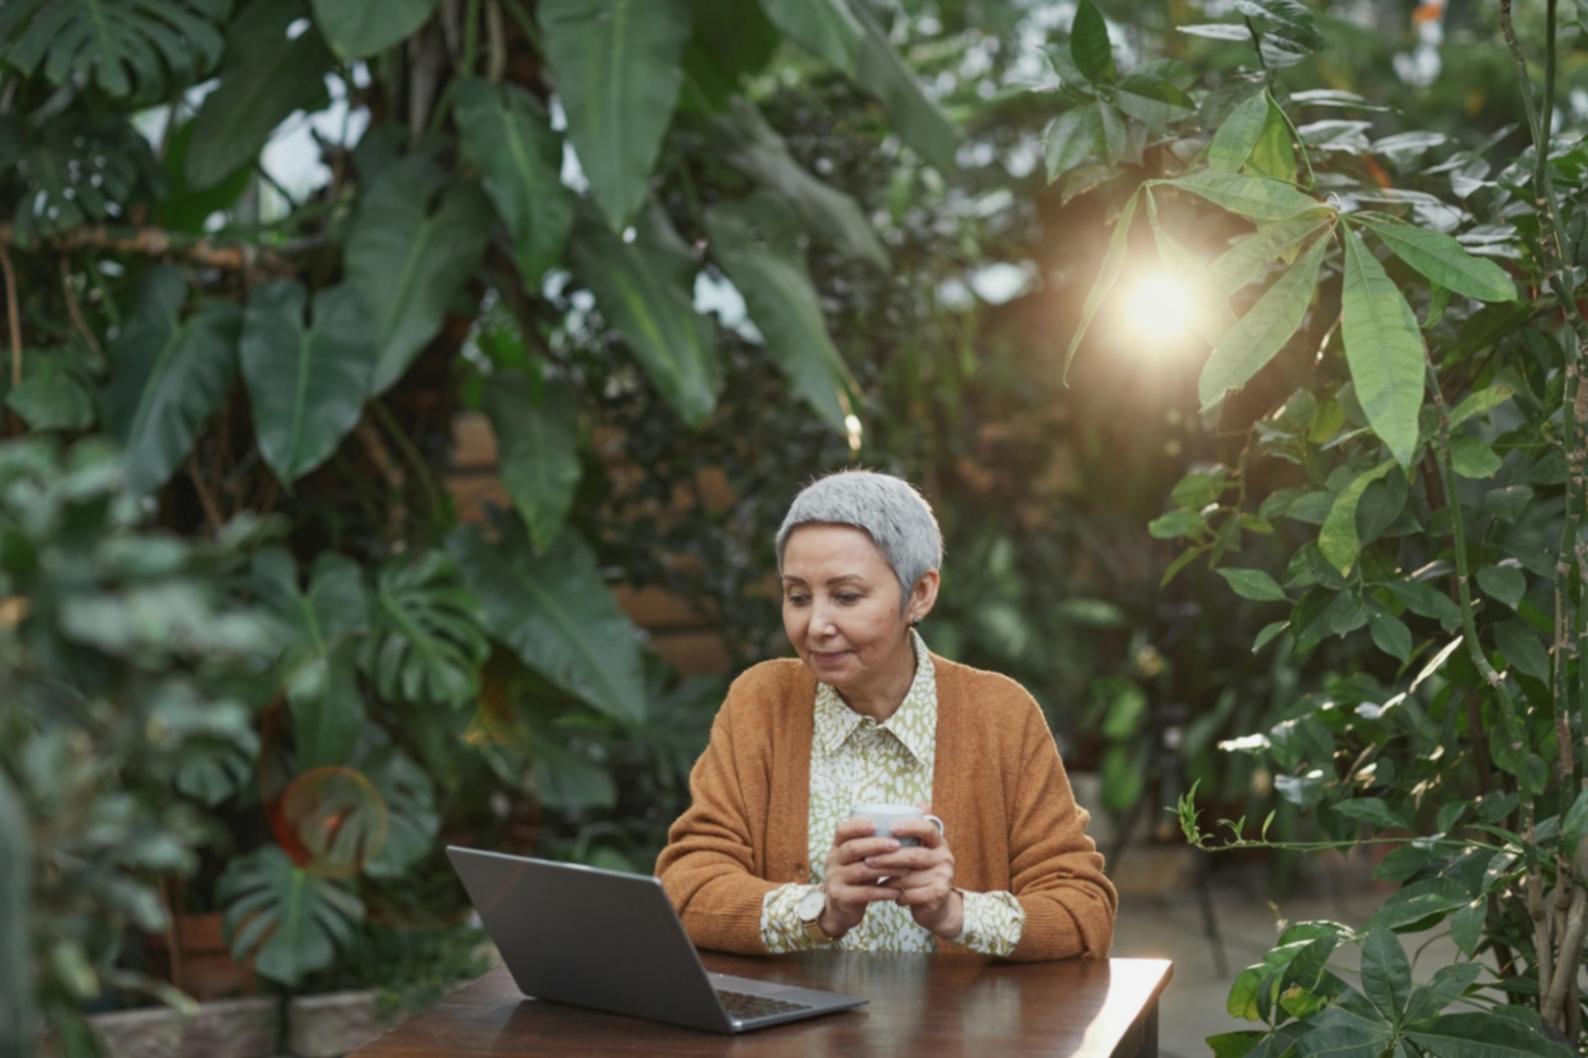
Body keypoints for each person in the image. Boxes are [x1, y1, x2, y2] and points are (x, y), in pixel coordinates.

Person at [655, 469, 1116, 961]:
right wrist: (819, 911)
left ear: (919, 594)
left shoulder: (1001, 715)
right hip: (789, 1034)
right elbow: (686, 886)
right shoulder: (761, 702)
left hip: (961, 1036)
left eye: (846, 596)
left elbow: (1083, 909)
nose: (816, 626)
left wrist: (954, 913)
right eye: (797, 596)